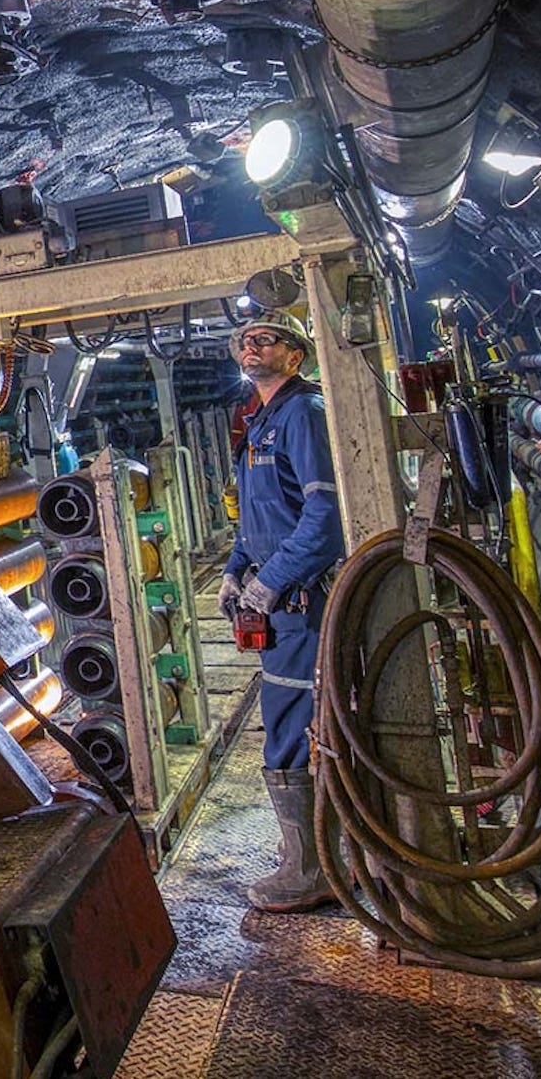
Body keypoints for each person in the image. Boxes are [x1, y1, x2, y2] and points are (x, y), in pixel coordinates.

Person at [217, 310, 345, 913]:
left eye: (265, 340)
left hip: (303, 601)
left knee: (293, 724)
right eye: (245, 341)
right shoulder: (261, 422)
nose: (251, 347)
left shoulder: (303, 415)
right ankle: (315, 850)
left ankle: (309, 868)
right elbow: (259, 515)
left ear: (295, 356)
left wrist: (269, 582)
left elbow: (325, 518)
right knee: (293, 718)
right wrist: (235, 568)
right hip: (280, 605)